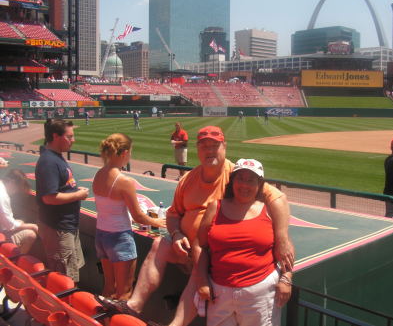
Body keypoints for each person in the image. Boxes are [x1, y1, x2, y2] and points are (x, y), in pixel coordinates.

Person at [98, 126, 294, 326]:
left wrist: (282, 237)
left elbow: (279, 198)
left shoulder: (236, 175)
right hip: (186, 247)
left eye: (214, 146)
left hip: (210, 252)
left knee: (201, 265)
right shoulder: (188, 179)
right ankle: (134, 305)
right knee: (160, 244)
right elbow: (173, 215)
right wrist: (175, 234)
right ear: (198, 150)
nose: (209, 151)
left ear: (224, 147)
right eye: (204, 146)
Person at [196, 159, 292, 326]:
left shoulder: (268, 208)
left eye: (251, 180)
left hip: (259, 293)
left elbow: (285, 246)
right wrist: (202, 281)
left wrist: (286, 278)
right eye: (240, 178)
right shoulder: (215, 207)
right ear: (232, 181)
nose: (244, 185)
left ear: (259, 184)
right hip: (219, 292)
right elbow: (201, 246)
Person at [93, 133, 165, 300]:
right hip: (119, 239)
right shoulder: (124, 181)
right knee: (124, 292)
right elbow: (138, 216)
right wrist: (158, 222)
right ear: (124, 153)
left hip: (101, 236)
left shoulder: (99, 174)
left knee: (109, 287)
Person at [35, 119, 89, 282]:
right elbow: (49, 198)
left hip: (66, 226)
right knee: (64, 280)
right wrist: (78, 195)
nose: (73, 140)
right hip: (58, 229)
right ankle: (63, 307)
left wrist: (74, 191)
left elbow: (60, 189)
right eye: (69, 137)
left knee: (70, 274)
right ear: (56, 136)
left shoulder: (55, 157)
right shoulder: (49, 161)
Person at [0, 169, 39, 253]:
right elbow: (10, 226)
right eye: (17, 188)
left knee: (21, 221)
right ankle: (13, 260)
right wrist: (33, 226)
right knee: (31, 234)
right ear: (11, 182)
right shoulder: (3, 196)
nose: (15, 192)